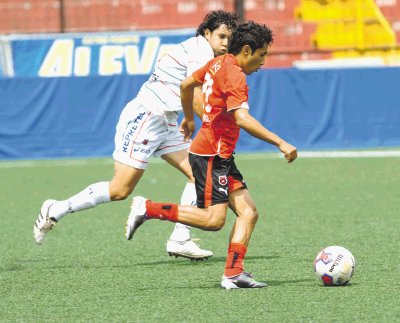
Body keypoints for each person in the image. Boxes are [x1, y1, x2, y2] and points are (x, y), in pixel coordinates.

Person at [33, 10, 240, 261]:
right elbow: (196, 93)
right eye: (221, 36)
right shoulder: (201, 51)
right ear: (206, 33)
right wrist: (214, 127)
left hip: (169, 121)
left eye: (230, 38)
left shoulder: (205, 53)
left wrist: (188, 119)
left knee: (198, 174)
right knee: (120, 190)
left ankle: (180, 239)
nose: (225, 43)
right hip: (147, 118)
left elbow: (192, 92)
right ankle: (56, 208)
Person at [125, 21, 298, 289]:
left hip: (219, 154)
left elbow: (185, 84)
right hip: (211, 156)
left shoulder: (218, 63)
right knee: (213, 220)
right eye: (262, 54)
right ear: (247, 50)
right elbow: (242, 118)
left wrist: (190, 119)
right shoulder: (235, 75)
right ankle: (148, 209)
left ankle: (233, 274)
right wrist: (280, 142)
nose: (264, 61)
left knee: (249, 212)